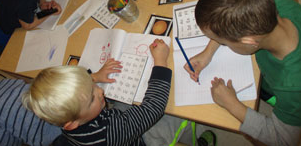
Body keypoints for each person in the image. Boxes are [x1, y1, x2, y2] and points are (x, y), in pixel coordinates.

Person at [185, 0, 301, 146]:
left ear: (248, 41)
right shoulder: (277, 6)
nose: (219, 43)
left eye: (222, 41)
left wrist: (232, 104)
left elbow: (283, 141)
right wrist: (207, 53)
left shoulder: (291, 85)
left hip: (283, 87)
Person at [22, 39, 216, 146]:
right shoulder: (107, 135)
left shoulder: (68, 117)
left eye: (92, 85)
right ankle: (196, 142)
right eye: (92, 97)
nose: (100, 92)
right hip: (141, 140)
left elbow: (84, 83)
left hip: (114, 119)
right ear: (71, 123)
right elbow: (154, 107)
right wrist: (160, 62)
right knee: (179, 107)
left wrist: (95, 76)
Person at [0, 61, 122, 146]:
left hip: (55, 138)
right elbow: (53, 91)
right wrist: (94, 76)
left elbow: (3, 142)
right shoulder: (3, 83)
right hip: (70, 113)